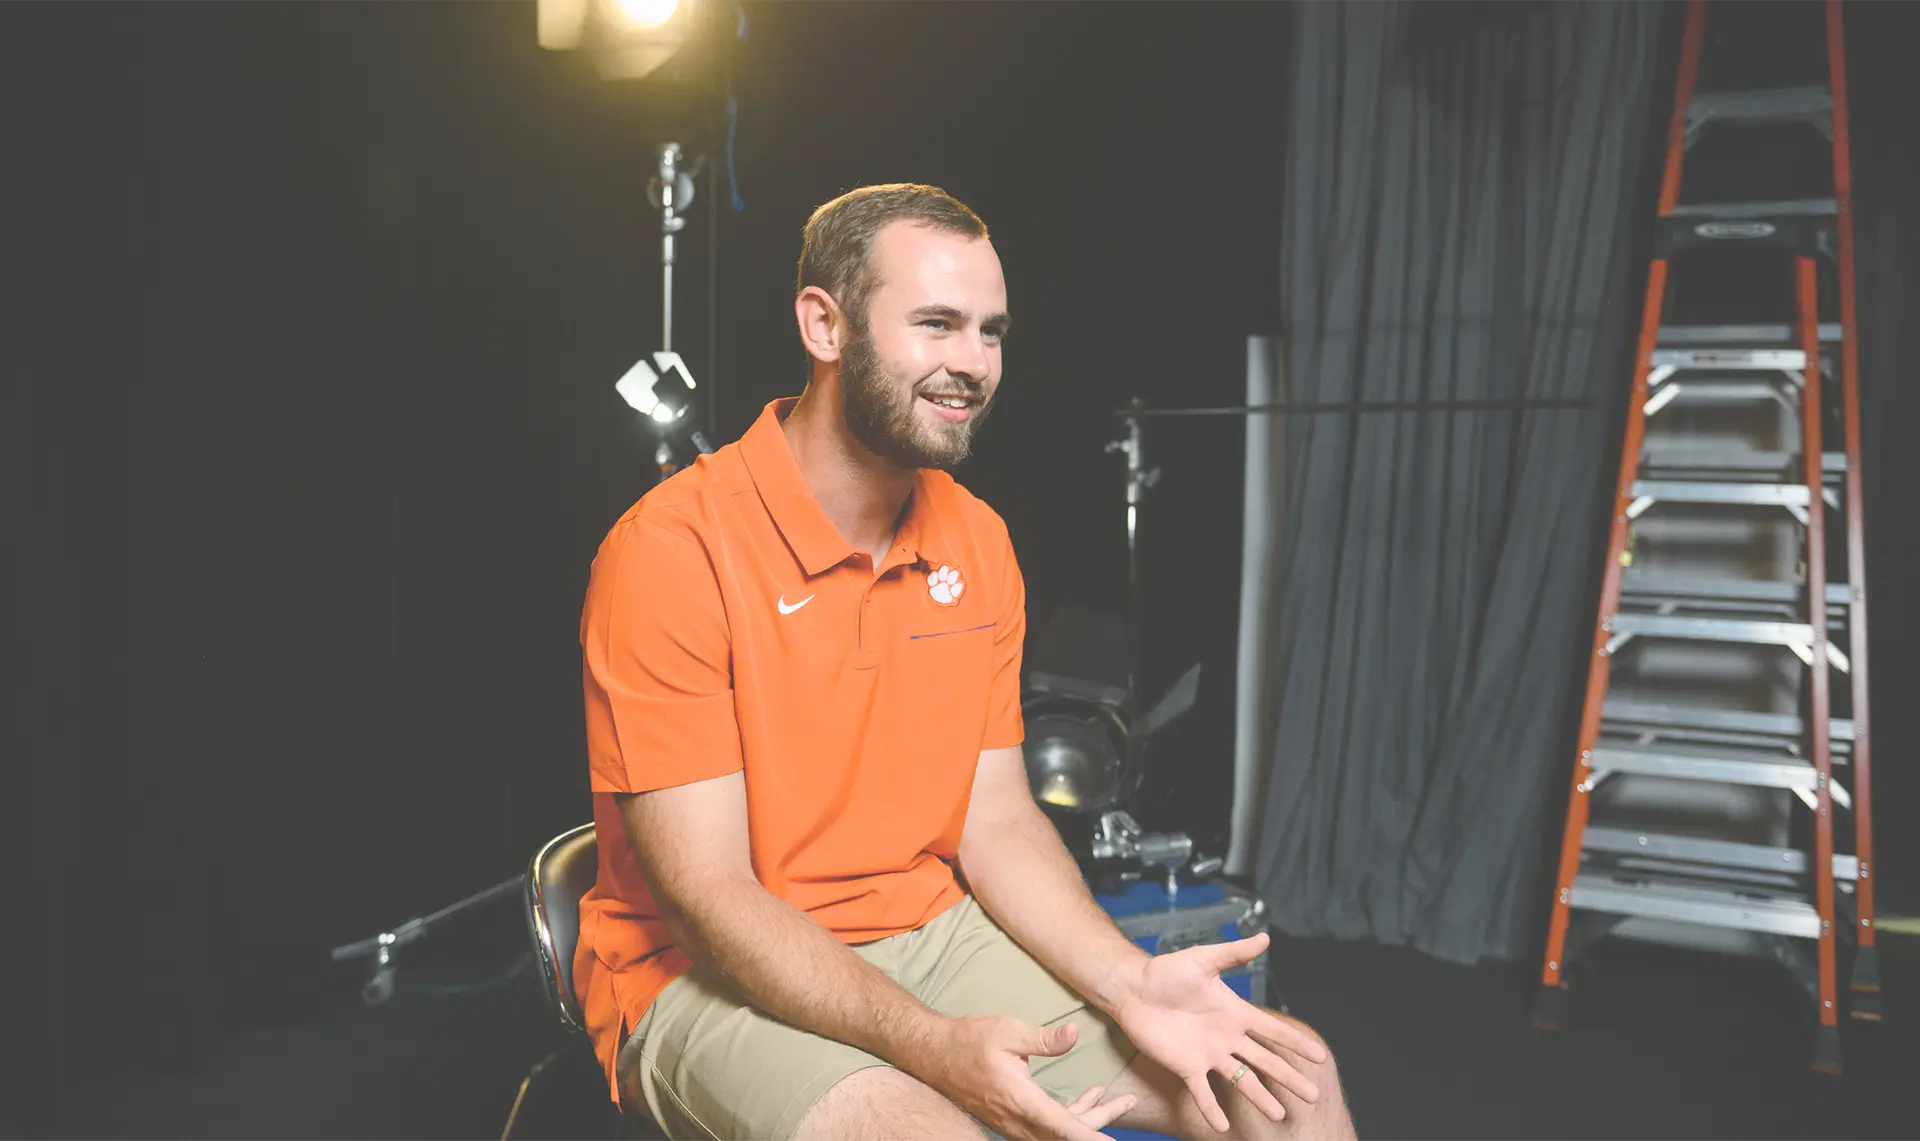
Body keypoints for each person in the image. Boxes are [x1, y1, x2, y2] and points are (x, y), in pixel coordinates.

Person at [574, 183, 1356, 1141]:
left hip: (930, 935)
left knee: (1292, 1086)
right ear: (824, 325)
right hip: (701, 974)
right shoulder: (671, 551)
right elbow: (710, 901)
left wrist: (1130, 977)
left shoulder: (976, 539)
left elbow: (997, 819)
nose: (973, 365)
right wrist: (931, 1045)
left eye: (991, 332)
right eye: (937, 324)